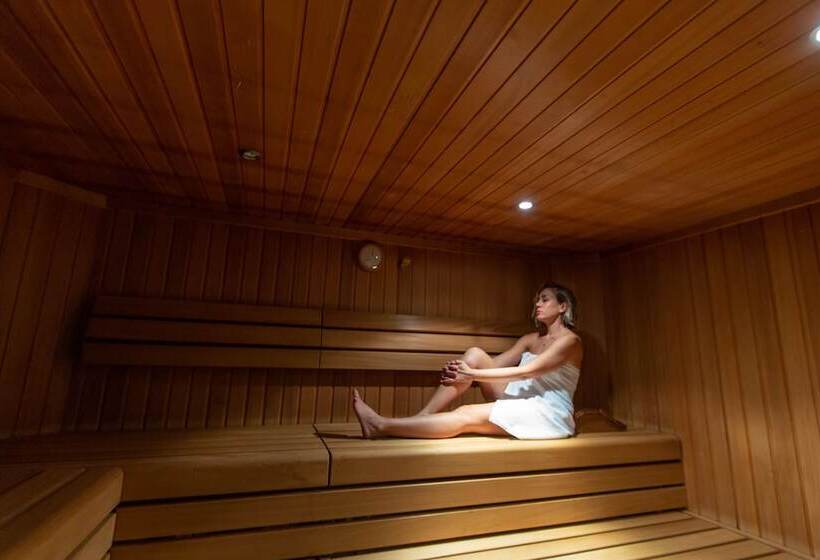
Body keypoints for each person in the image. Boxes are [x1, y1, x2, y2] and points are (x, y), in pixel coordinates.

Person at [352, 282, 583, 439]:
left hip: (546, 411)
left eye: (544, 300)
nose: (537, 304)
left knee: (467, 413)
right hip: (518, 397)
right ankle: (423, 417)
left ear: (562, 306)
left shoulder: (570, 342)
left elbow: (527, 372)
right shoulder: (530, 339)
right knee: (474, 354)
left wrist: (471, 374)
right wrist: (464, 371)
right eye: (537, 300)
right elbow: (493, 366)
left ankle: (380, 425)